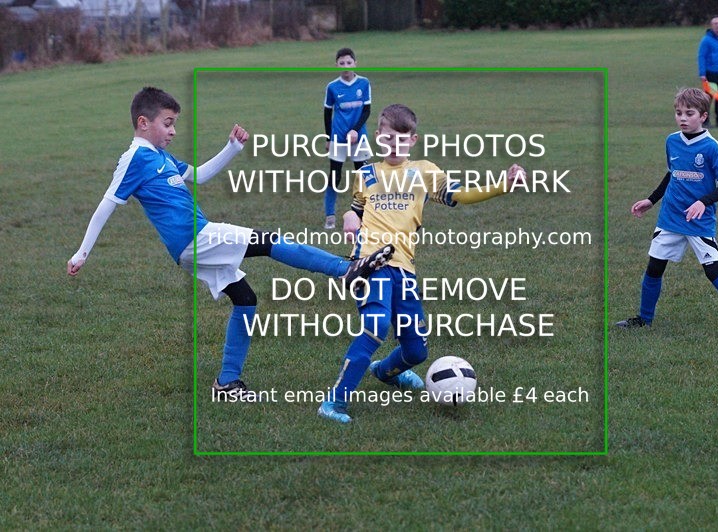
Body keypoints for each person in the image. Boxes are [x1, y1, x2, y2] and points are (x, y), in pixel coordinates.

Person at [67, 87, 394, 394]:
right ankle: (344, 269)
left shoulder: (159, 156)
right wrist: (82, 253)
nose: (173, 131)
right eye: (167, 124)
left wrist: (232, 148)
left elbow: (199, 174)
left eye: (174, 124)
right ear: (143, 122)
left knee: (245, 299)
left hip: (195, 242)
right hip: (196, 239)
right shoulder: (135, 158)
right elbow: (108, 202)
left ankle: (227, 382)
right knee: (269, 241)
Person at [317, 104, 527, 424]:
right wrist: (349, 216)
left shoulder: (424, 172)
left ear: (412, 140)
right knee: (375, 326)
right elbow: (357, 210)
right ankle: (334, 402)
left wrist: (504, 185)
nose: (393, 145)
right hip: (372, 263)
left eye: (401, 140)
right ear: (377, 136)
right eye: (387, 138)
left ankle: (385, 372)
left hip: (405, 269)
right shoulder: (366, 174)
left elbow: (461, 195)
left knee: (416, 353)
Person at [615, 88, 718, 336]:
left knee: (713, 271)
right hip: (670, 217)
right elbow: (672, 174)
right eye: (679, 113)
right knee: (654, 268)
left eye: (689, 113)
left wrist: (703, 202)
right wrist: (651, 200)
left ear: (703, 116)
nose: (682, 118)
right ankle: (644, 319)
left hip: (699, 222)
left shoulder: (712, 147)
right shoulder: (672, 141)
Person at [322, 47, 372, 230]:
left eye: (349, 62)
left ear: (355, 63)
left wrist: (356, 131)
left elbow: (367, 110)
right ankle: (330, 215)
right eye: (341, 63)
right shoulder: (332, 87)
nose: (345, 66)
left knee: (364, 176)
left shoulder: (364, 83)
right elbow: (327, 113)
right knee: (335, 176)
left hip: (359, 138)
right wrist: (328, 138)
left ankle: (364, 214)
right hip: (338, 138)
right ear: (337, 64)